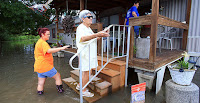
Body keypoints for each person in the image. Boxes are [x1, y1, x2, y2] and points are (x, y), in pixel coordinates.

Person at [76, 10, 110, 97]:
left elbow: (93, 38)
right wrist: (97, 34)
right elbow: (83, 38)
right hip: (85, 53)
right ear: (83, 19)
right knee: (86, 72)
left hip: (89, 53)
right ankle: (83, 90)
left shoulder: (88, 28)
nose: (91, 19)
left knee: (88, 71)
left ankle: (80, 85)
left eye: (91, 17)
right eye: (89, 17)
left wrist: (101, 35)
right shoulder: (81, 27)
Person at [34, 27, 69, 95]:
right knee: (58, 76)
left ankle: (40, 95)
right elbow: (49, 51)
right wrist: (62, 48)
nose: (49, 36)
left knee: (40, 83)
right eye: (48, 34)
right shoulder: (43, 43)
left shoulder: (39, 42)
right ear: (42, 34)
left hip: (38, 67)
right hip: (45, 66)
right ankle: (61, 92)